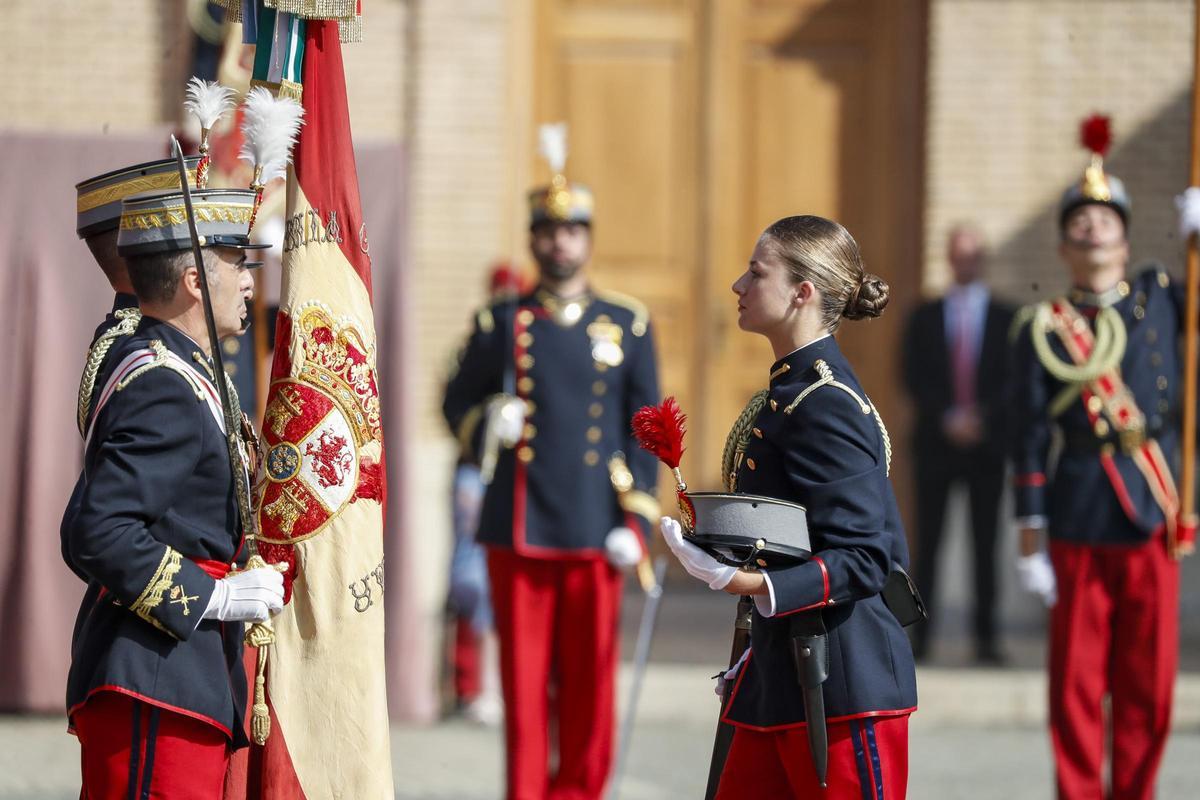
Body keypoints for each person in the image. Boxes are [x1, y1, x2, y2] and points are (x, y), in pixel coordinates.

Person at [661, 215, 917, 798]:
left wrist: (746, 583)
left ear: (803, 292)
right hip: (782, 675)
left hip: (843, 684)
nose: (738, 286)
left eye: (757, 272)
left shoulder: (824, 402)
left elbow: (865, 558)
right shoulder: (789, 394)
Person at [442, 126, 661, 800]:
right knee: (526, 686)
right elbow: (453, 403)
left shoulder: (628, 323)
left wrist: (639, 519)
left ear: (589, 239)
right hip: (521, 526)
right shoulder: (500, 322)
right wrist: (488, 421)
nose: (559, 241)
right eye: (547, 230)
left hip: (598, 528)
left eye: (571, 230)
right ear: (534, 238)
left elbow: (645, 428)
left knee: (590, 687)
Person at [63, 187, 283, 799]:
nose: (249, 281)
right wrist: (209, 596)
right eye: (238, 264)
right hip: (155, 681)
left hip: (180, 677)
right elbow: (96, 529)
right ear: (193, 280)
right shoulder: (163, 384)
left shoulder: (183, 370)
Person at [1010, 115, 1193, 800]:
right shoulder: (1042, 326)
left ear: (1125, 233)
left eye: (1104, 218)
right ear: (1062, 246)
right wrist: (1029, 534)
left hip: (1155, 506)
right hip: (1079, 508)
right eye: (1079, 221)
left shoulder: (1165, 296)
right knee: (1078, 683)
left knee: (1147, 682)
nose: (1092, 228)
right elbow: (1027, 433)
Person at [901, 224, 1014, 663]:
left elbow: (1012, 381)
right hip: (936, 445)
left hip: (987, 447)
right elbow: (912, 374)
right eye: (958, 255)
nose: (965, 262)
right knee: (928, 544)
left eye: (973, 255)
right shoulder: (925, 315)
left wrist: (981, 417)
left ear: (981, 259)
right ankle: (920, 638)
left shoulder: (1007, 318)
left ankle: (985, 638)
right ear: (949, 258)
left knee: (985, 545)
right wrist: (948, 415)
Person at [444, 262, 526, 726]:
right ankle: (468, 684)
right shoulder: (480, 340)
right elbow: (455, 403)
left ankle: (497, 684)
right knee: (470, 582)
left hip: (514, 479)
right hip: (476, 472)